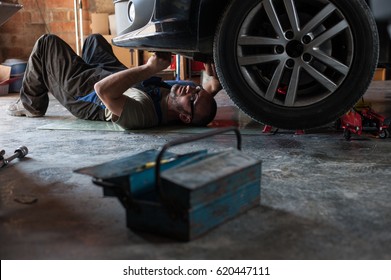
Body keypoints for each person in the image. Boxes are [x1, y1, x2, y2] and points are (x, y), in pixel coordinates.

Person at [7, 33, 221, 129]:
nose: (191, 90)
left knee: (47, 43)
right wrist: (214, 59)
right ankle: (84, 64)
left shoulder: (145, 114)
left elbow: (103, 90)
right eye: (197, 90)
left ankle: (31, 104)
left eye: (192, 99)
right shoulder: (182, 97)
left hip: (85, 91)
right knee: (95, 40)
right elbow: (212, 85)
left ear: (184, 117)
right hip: (107, 72)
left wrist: (149, 68)